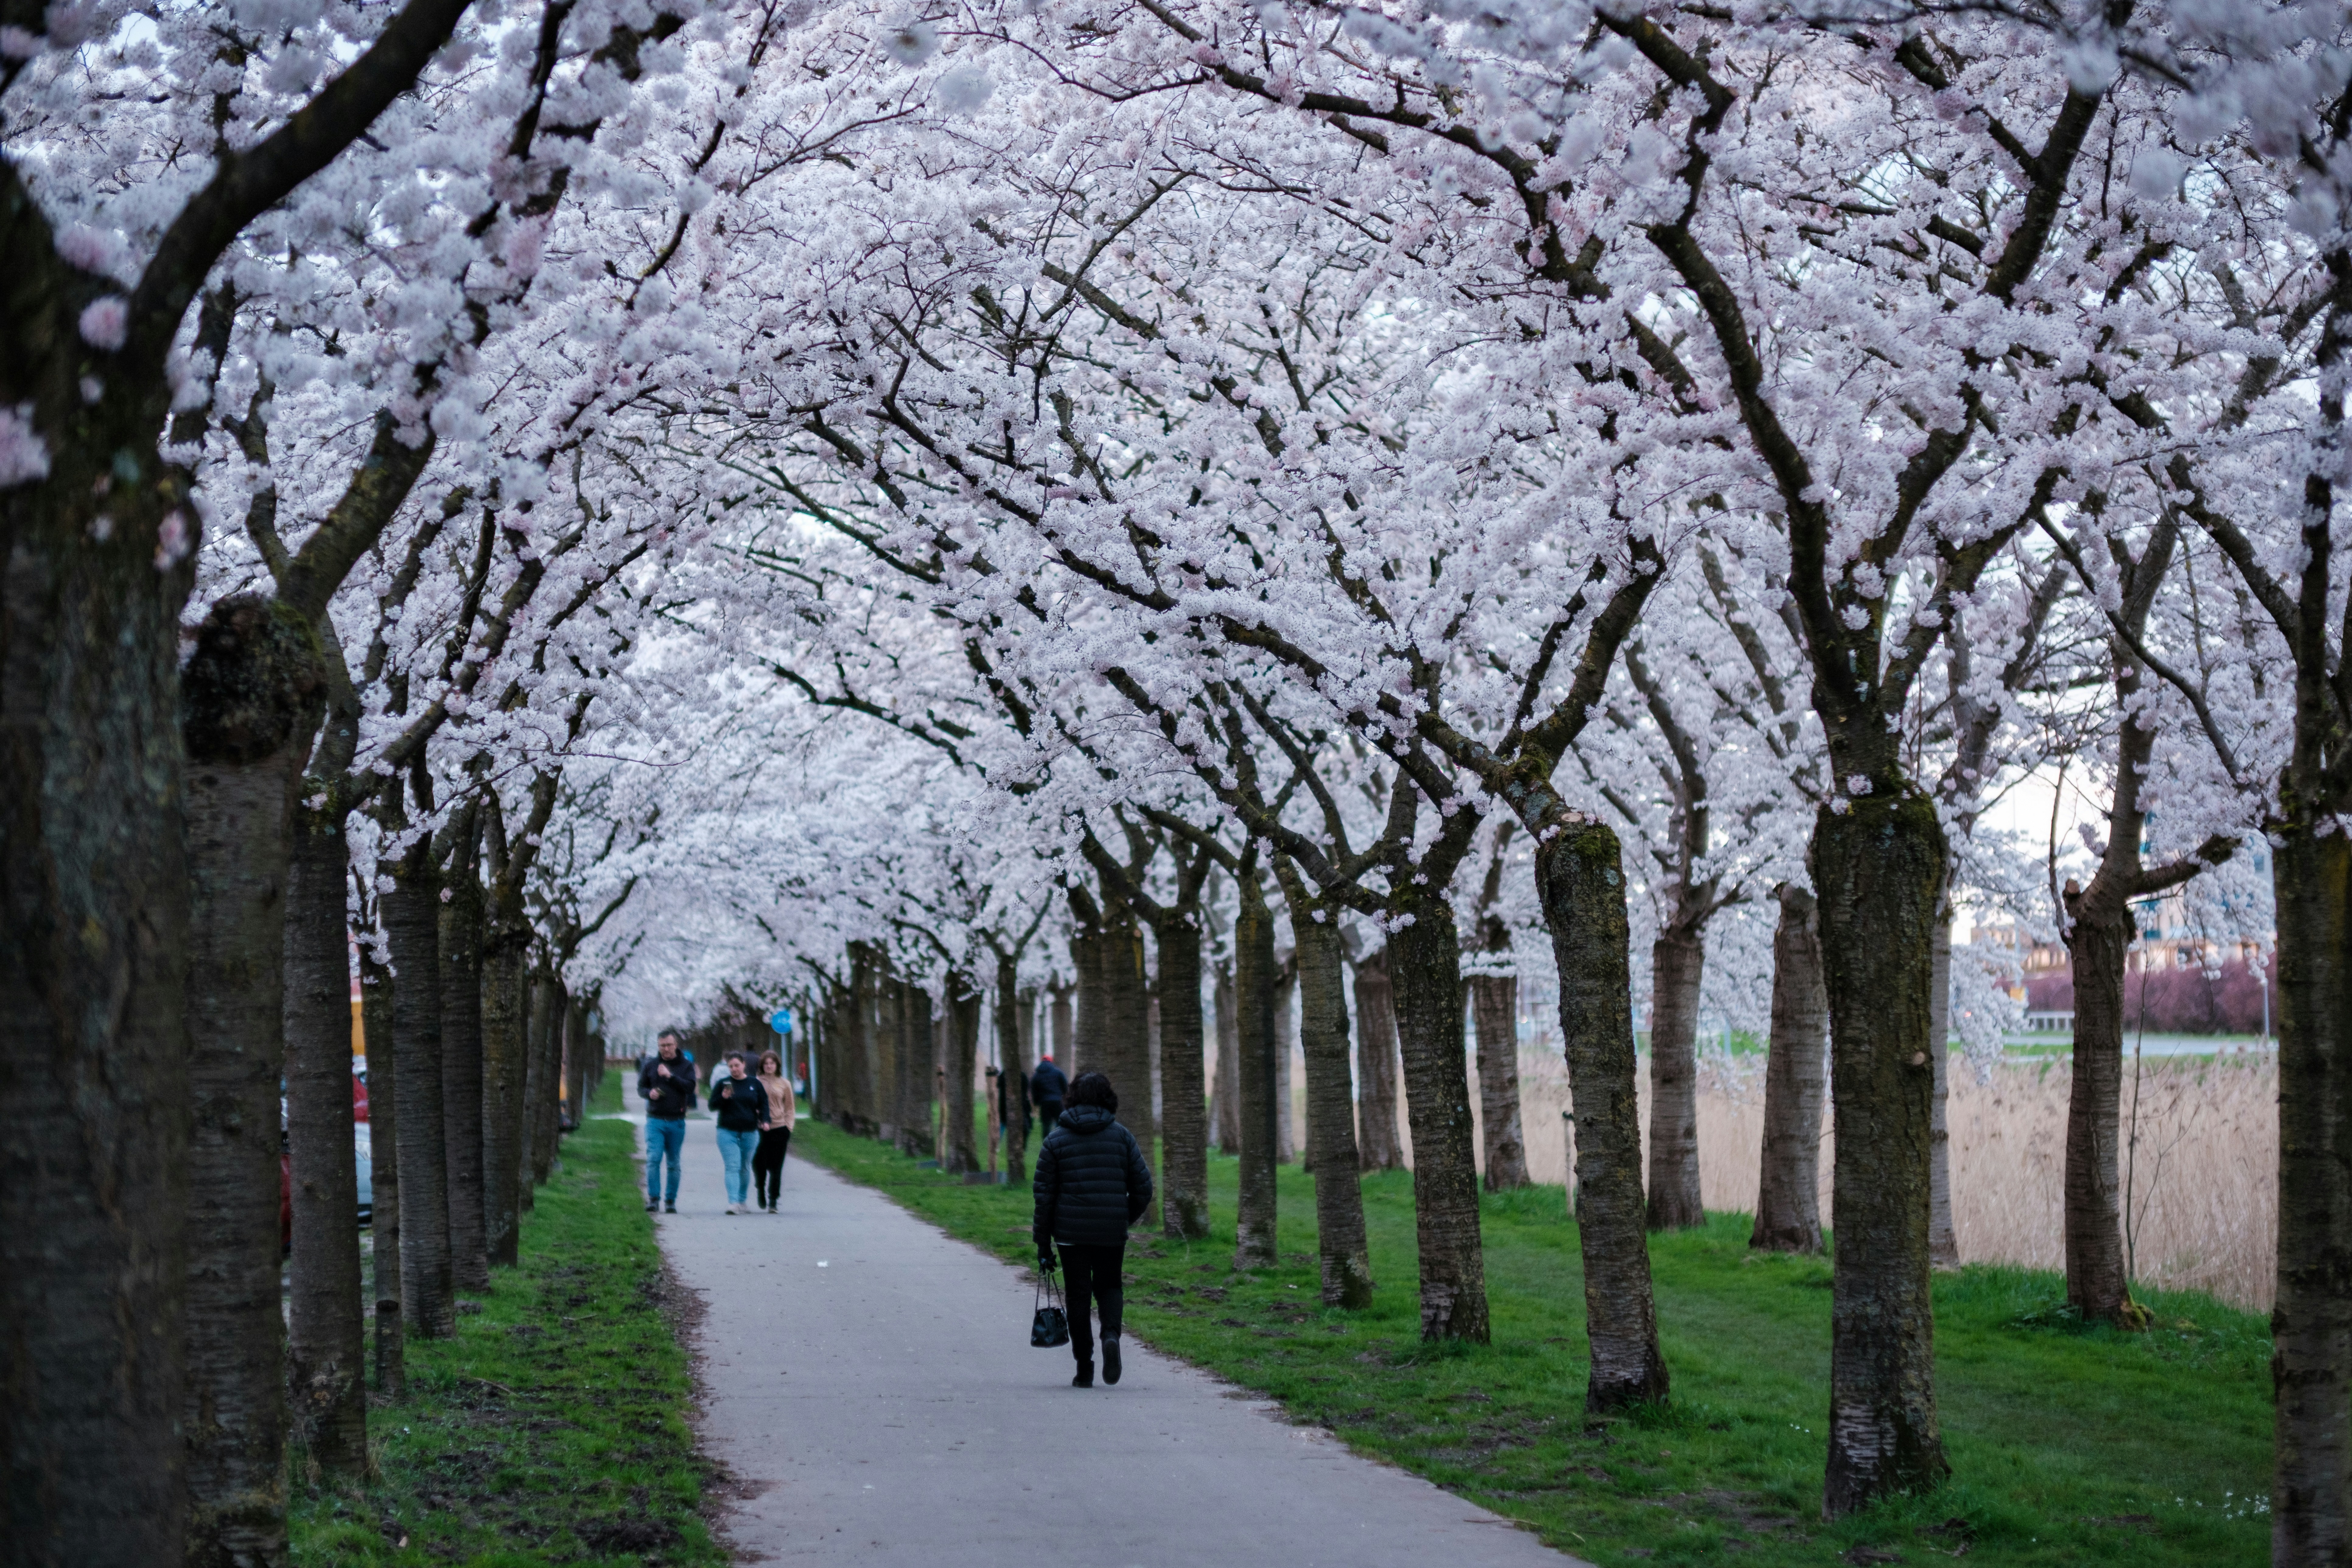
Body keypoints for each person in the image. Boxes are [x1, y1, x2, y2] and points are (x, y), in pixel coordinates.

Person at [1031, 1070, 1152, 1389]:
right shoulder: (1122, 1136)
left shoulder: (1055, 1140)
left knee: (1078, 1295)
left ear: (1070, 1097)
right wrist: (1122, 1216)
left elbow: (1044, 1197)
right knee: (1110, 1286)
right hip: (1111, 1230)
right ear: (1107, 1098)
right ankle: (1111, 1335)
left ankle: (1084, 1366)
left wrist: (1043, 1243)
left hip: (1071, 1233)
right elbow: (1144, 1187)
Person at [638, 1030, 696, 1213]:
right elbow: (641, 1088)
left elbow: (690, 1087)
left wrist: (670, 1077)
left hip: (676, 1121)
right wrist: (650, 1094)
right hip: (655, 1120)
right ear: (658, 1046)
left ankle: (670, 1200)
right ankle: (654, 1199)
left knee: (673, 1163)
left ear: (676, 1045)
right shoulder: (651, 1065)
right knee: (654, 1159)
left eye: (669, 1045)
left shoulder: (686, 1066)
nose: (666, 1049)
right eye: (662, 1046)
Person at [710, 1052, 770, 1215]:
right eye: (731, 1067)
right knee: (733, 1166)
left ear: (744, 1065)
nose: (734, 1069)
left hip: (750, 1132)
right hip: (727, 1131)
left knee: (744, 1167)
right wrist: (723, 1098)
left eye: (737, 1065)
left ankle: (742, 1201)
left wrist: (765, 1121)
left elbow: (764, 1104)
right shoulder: (724, 1084)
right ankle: (733, 1202)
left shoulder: (754, 1084)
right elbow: (712, 1106)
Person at [752, 1049, 794, 1212]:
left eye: (772, 1064)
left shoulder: (785, 1084)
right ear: (762, 1066)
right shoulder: (755, 1082)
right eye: (766, 1064)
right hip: (760, 1128)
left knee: (777, 1166)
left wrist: (789, 1127)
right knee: (759, 1163)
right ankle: (761, 1188)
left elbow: (790, 1107)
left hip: (779, 1128)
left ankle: (773, 1200)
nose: (769, 1066)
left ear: (777, 1065)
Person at [1029, 1052, 1068, 1132]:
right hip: (1057, 1101)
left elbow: (1034, 1089)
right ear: (1051, 1061)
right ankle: (1060, 1139)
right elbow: (1065, 1084)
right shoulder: (1058, 1072)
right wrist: (1064, 1095)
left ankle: (1047, 1142)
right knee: (1060, 1122)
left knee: (1046, 1124)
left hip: (1044, 1103)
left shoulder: (1037, 1075)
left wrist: (1037, 1102)